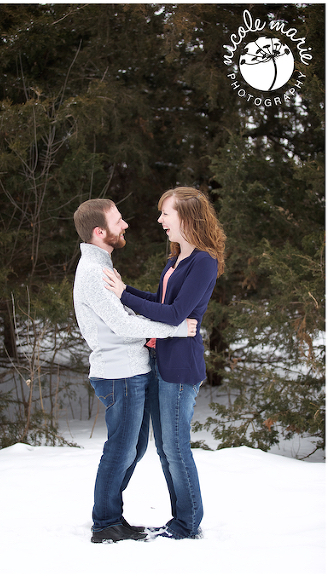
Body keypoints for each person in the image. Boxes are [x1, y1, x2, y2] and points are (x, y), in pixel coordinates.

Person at [72, 198, 197, 544]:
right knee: (122, 449)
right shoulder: (94, 272)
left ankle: (112, 518)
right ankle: (106, 522)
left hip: (129, 370)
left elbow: (122, 319)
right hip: (119, 374)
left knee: (134, 447)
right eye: (118, 220)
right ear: (100, 232)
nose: (125, 224)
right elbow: (121, 325)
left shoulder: (101, 266)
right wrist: (175, 329)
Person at [103, 187, 226, 540]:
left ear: (187, 217)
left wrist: (124, 295)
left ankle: (187, 524)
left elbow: (174, 314)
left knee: (174, 447)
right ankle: (179, 520)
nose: (160, 220)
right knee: (163, 448)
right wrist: (124, 290)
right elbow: (160, 303)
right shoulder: (175, 260)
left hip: (180, 367)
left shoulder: (203, 261)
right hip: (159, 360)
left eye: (165, 213)